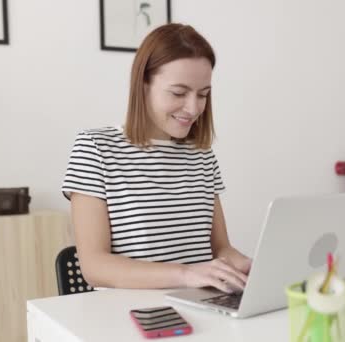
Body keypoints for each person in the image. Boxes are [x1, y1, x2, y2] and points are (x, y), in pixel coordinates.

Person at [61, 23, 251, 293]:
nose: (193, 108)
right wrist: (185, 274)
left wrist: (249, 266)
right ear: (143, 84)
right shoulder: (96, 148)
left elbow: (220, 249)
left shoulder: (202, 156)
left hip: (201, 306)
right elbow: (94, 267)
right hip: (128, 313)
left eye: (203, 94)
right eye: (178, 93)